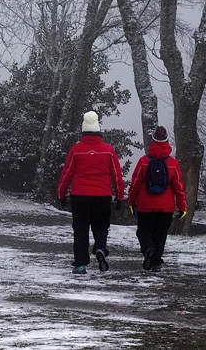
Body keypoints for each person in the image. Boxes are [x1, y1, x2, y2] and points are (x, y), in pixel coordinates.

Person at [56, 111, 125, 274]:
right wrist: (120, 196)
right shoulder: (108, 150)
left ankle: (80, 263)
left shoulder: (76, 150)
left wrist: (61, 194)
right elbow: (116, 175)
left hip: (79, 197)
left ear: (83, 131)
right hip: (102, 197)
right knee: (101, 227)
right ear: (98, 131)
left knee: (80, 230)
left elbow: (66, 174)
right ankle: (100, 248)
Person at [127, 125, 187, 271]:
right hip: (165, 207)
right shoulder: (172, 163)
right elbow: (179, 187)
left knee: (143, 231)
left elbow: (135, 183)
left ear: (153, 140)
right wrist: (182, 207)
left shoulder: (143, 161)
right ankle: (156, 262)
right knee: (161, 234)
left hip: (145, 205)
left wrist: (131, 202)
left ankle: (148, 249)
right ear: (167, 141)